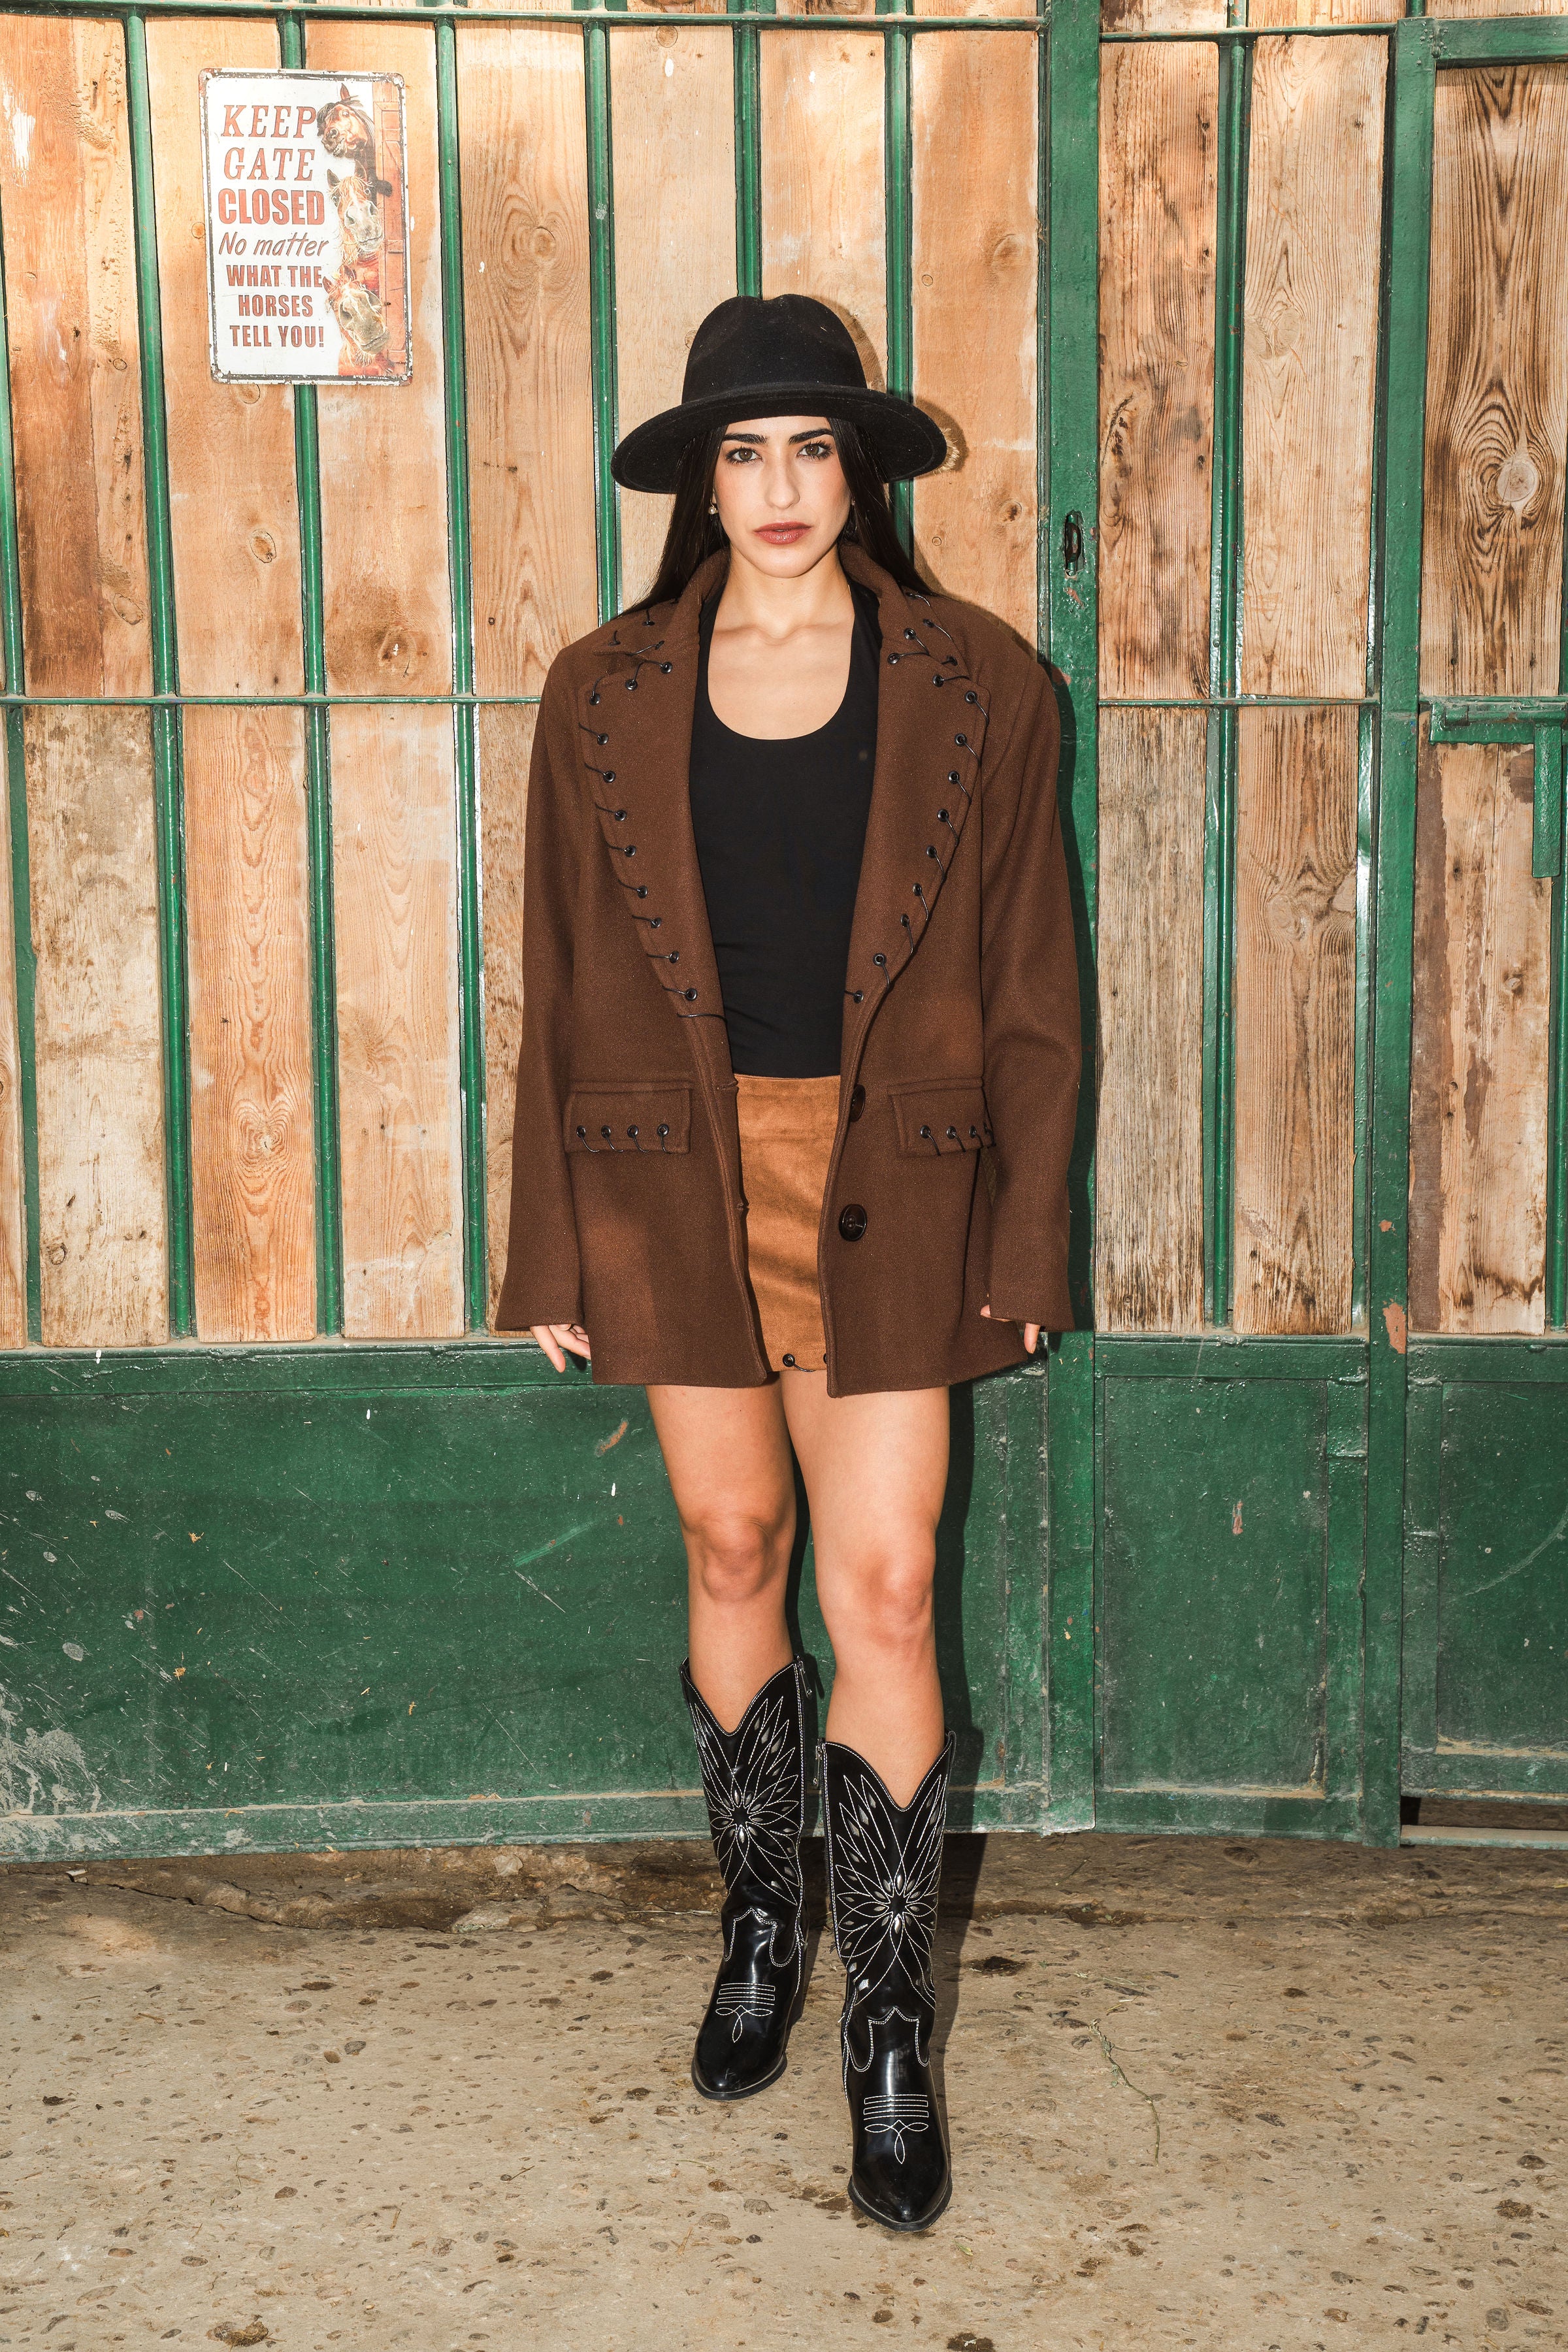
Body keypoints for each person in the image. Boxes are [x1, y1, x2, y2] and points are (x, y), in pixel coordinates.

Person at [495, 293, 1080, 2232]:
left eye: (811, 449)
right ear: (698, 481)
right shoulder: (599, 693)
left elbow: (1032, 993)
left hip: (898, 1176)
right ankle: (766, 1921)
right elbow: (563, 988)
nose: (777, 490)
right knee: (735, 1553)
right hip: (672, 1172)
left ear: (863, 470)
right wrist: (550, 1235)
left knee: (890, 1583)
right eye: (741, 454)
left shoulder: (986, 686)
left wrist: (1027, 1234)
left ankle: (888, 2034)